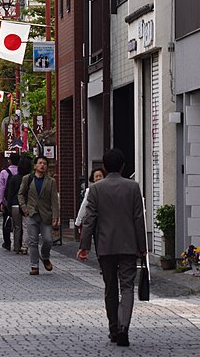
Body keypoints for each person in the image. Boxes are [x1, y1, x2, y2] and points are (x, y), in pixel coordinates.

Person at [78, 148, 146, 347]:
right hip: (128, 245)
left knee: (110, 288)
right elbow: (138, 219)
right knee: (127, 287)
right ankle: (124, 326)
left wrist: (84, 246)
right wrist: (143, 247)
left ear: (105, 168)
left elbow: (89, 219)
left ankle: (114, 329)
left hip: (105, 245)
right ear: (123, 166)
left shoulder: (96, 189)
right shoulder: (133, 187)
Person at [18, 155, 60, 275]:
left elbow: (54, 200)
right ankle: (34, 265)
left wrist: (55, 216)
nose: (42, 165)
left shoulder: (51, 181)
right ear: (35, 166)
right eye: (40, 163)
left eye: (44, 164)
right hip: (31, 213)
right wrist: (24, 207)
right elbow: (20, 194)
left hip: (46, 214)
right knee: (33, 241)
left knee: (48, 240)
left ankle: (45, 257)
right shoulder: (28, 179)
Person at [6, 156, 32, 254]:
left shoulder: (14, 178)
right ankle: (25, 247)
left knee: (17, 227)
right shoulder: (30, 178)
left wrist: (8, 206)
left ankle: (16, 246)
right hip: (26, 205)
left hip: (15, 205)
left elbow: (10, 193)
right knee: (26, 226)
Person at [0, 153, 20, 250]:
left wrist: (1, 201)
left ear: (10, 160)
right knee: (19, 224)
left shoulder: (4, 172)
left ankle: (7, 243)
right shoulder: (21, 171)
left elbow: (1, 188)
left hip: (7, 201)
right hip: (20, 201)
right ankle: (19, 243)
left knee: (6, 221)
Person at [75, 167, 105, 232]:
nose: (98, 178)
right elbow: (84, 206)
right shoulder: (90, 191)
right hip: (95, 221)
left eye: (100, 176)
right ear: (93, 179)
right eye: (96, 176)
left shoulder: (108, 190)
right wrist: (78, 221)